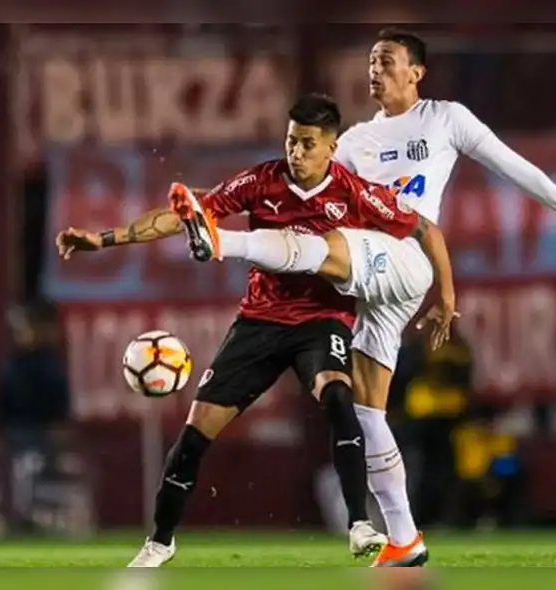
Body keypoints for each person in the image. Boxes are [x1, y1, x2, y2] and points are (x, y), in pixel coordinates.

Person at [179, 28, 556, 566]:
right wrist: (207, 203)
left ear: (416, 71)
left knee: (331, 244)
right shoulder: (350, 144)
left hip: (405, 258)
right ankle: (405, 538)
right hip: (374, 293)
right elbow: (291, 193)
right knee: (366, 413)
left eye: (387, 60)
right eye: (370, 60)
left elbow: (518, 168)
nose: (375, 69)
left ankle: (222, 245)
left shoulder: (445, 119)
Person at [55, 94, 439, 567]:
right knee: (195, 434)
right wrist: (104, 238)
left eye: (307, 144)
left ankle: (359, 522)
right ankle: (160, 541)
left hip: (322, 321)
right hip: (259, 321)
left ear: (331, 147)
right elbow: (185, 214)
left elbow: (422, 227)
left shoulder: (353, 192)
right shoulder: (261, 180)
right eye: (291, 141)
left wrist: (445, 294)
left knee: (339, 397)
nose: (296, 153)